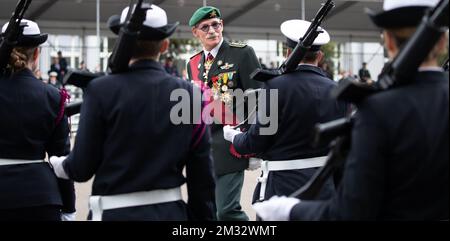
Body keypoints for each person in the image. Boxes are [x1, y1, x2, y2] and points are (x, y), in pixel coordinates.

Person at [253, 0, 449, 221]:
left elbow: (351, 212)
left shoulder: (378, 110)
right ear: (442, 42)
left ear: (388, 42)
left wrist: (290, 210)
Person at [49, 4, 216, 221]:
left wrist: (58, 165)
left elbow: (81, 168)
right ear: (164, 46)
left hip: (113, 215)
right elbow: (202, 179)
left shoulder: (100, 90)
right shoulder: (190, 95)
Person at [223, 19, 348, 208]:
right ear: (320, 56)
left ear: (288, 52)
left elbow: (255, 141)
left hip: (282, 189)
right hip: (325, 189)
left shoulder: (275, 86)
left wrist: (234, 137)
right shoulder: (338, 89)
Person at [187, 6, 261, 221]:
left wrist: (255, 145)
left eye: (216, 24)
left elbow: (259, 99)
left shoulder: (242, 53)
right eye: (205, 26)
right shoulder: (193, 62)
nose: (212, 30)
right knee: (208, 211)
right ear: (195, 32)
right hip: (204, 148)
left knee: (227, 210)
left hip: (231, 144)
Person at [0, 19, 75, 220]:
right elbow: (60, 158)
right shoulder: (53, 96)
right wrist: (69, 208)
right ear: (37, 53)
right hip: (41, 198)